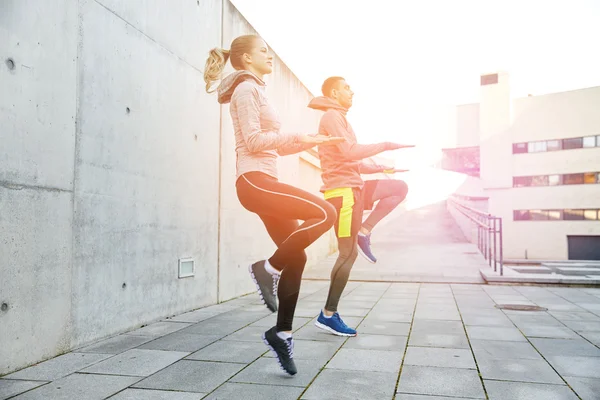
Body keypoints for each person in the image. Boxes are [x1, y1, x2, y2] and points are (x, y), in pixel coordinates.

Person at [203, 35, 344, 375]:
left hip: (264, 179)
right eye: (263, 51)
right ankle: (266, 269)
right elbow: (252, 141)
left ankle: (281, 333)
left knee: (298, 255)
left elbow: (273, 148)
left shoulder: (256, 89)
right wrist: (300, 136)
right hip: (254, 182)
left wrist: (307, 141)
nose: (269, 56)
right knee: (326, 212)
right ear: (247, 58)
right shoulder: (247, 90)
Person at [307, 76, 411, 336]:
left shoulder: (340, 118)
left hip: (354, 188)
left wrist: (382, 167)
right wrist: (385, 145)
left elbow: (352, 161)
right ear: (334, 91)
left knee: (399, 188)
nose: (351, 92)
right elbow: (351, 152)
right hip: (343, 195)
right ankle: (328, 315)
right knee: (347, 254)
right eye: (346, 88)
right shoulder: (332, 116)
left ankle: (365, 231)